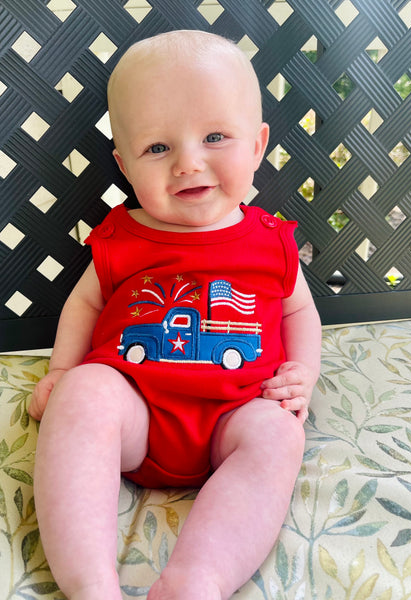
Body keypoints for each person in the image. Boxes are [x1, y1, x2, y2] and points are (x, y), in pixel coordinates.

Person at [29, 30, 321, 600]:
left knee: (278, 436)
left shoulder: (271, 240)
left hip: (235, 414)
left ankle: (197, 580)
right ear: (124, 164)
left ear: (257, 146)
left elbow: (300, 312)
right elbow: (84, 303)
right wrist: (64, 372)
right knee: (86, 393)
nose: (189, 163)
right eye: (158, 148)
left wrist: (303, 372)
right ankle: (89, 582)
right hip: (136, 411)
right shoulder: (122, 237)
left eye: (215, 137)